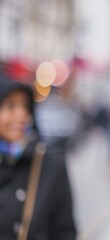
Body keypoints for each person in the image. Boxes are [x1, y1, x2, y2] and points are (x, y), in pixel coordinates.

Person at [0, 73, 76, 239]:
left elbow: (65, 232)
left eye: (25, 106)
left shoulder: (50, 165)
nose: (21, 115)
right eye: (10, 106)